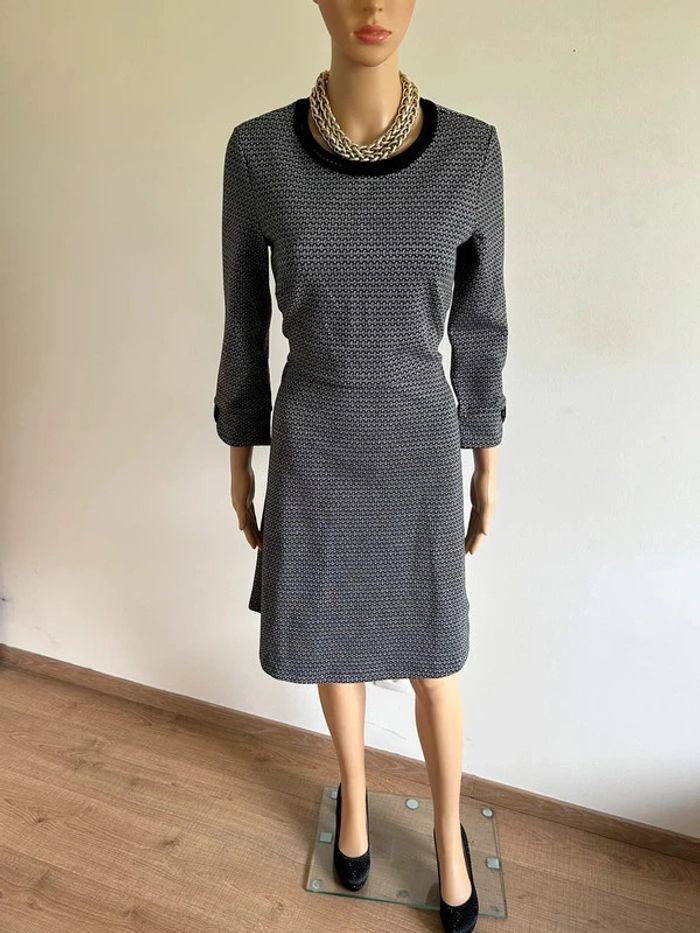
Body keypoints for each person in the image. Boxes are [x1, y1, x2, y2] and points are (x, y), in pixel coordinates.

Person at [213, 3, 507, 930]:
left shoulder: (470, 153)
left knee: (435, 657)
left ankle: (449, 833)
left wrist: (485, 452)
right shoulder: (259, 154)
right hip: (315, 440)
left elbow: (482, 321)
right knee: (329, 637)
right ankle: (355, 794)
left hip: (420, 443)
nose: (374, 7)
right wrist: (240, 446)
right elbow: (243, 319)